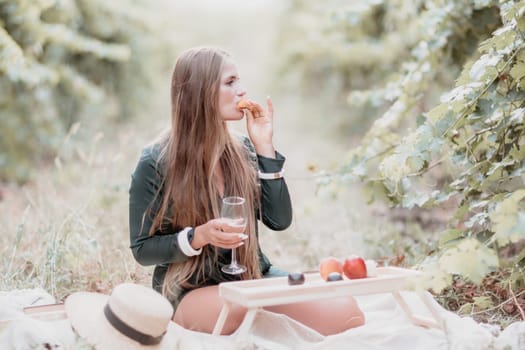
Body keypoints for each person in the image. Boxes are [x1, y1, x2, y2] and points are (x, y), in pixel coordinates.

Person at [128, 46, 365, 336]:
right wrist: (198, 236)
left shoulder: (243, 149)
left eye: (239, 81)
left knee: (345, 312)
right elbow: (142, 249)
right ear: (200, 92)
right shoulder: (155, 161)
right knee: (245, 315)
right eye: (230, 82)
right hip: (191, 287)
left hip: (253, 276)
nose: (242, 91)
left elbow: (279, 221)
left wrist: (265, 148)